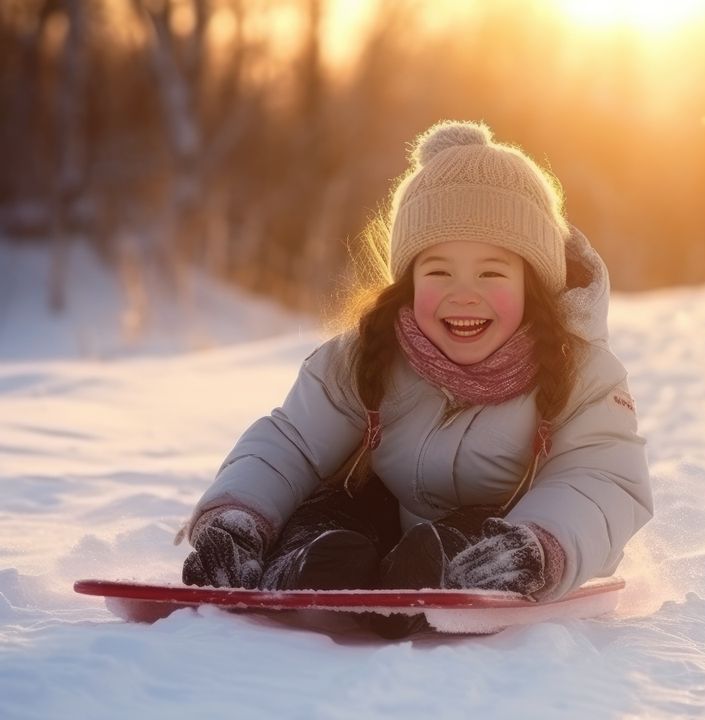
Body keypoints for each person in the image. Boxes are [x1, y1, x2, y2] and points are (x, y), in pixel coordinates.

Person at [178, 120, 653, 637]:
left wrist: (539, 544)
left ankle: (445, 572)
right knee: (337, 516)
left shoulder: (583, 372)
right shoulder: (367, 356)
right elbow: (291, 441)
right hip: (378, 520)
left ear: (532, 284)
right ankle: (305, 565)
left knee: (472, 537)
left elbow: (601, 479)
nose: (463, 293)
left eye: (491, 273)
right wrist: (237, 516)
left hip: (500, 527)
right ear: (407, 282)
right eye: (438, 272)